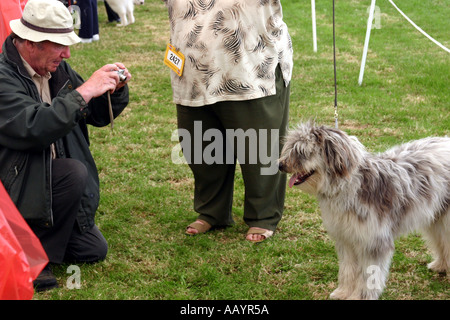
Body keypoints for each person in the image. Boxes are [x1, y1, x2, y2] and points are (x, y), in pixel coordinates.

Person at [0, 0, 131, 291]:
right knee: (73, 172)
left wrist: (114, 89)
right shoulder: (3, 77)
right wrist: (84, 92)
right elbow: (35, 127)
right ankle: (32, 256)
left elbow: (95, 114)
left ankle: (39, 243)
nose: (67, 53)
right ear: (32, 43)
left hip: (49, 185)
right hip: (16, 189)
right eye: (60, 45)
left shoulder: (56, 68)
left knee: (93, 250)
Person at [163, 1, 293, 242]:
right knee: (202, 146)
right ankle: (212, 211)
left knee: (258, 147)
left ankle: (262, 216)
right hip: (192, 66)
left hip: (250, 66)